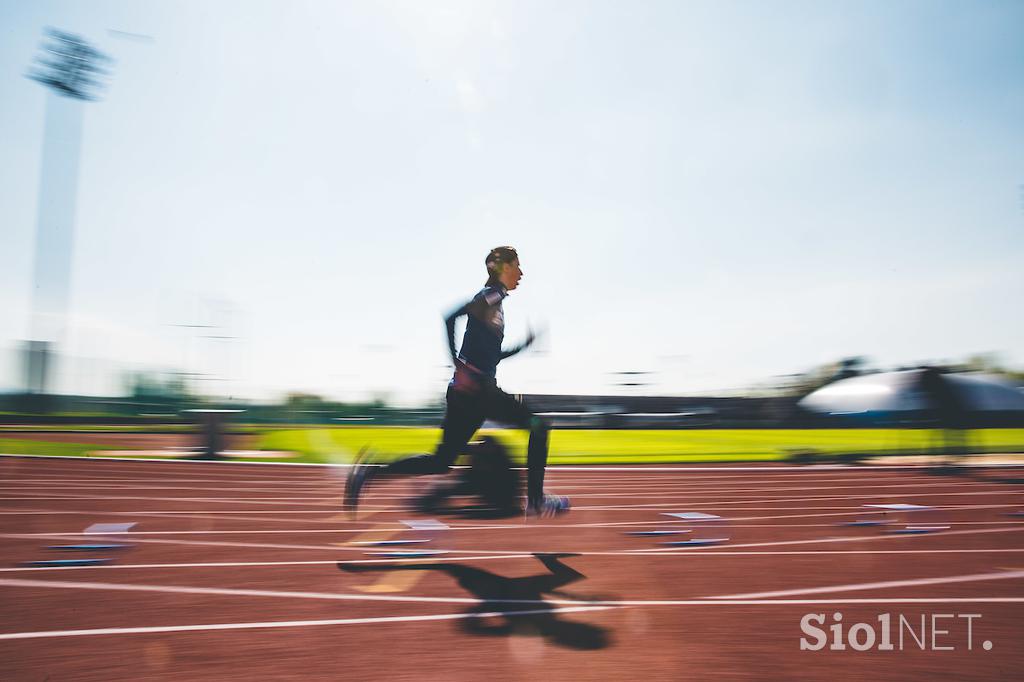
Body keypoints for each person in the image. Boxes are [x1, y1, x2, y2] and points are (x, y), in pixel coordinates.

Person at [344, 246, 569, 517]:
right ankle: (535, 500)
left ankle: (371, 473)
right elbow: (450, 317)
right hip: (478, 391)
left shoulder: (495, 304)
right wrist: (458, 364)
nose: (521, 273)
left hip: (467, 394)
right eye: (517, 266)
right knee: (539, 426)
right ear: (503, 268)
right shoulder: (492, 295)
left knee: (441, 462)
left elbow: (492, 355)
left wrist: (522, 346)